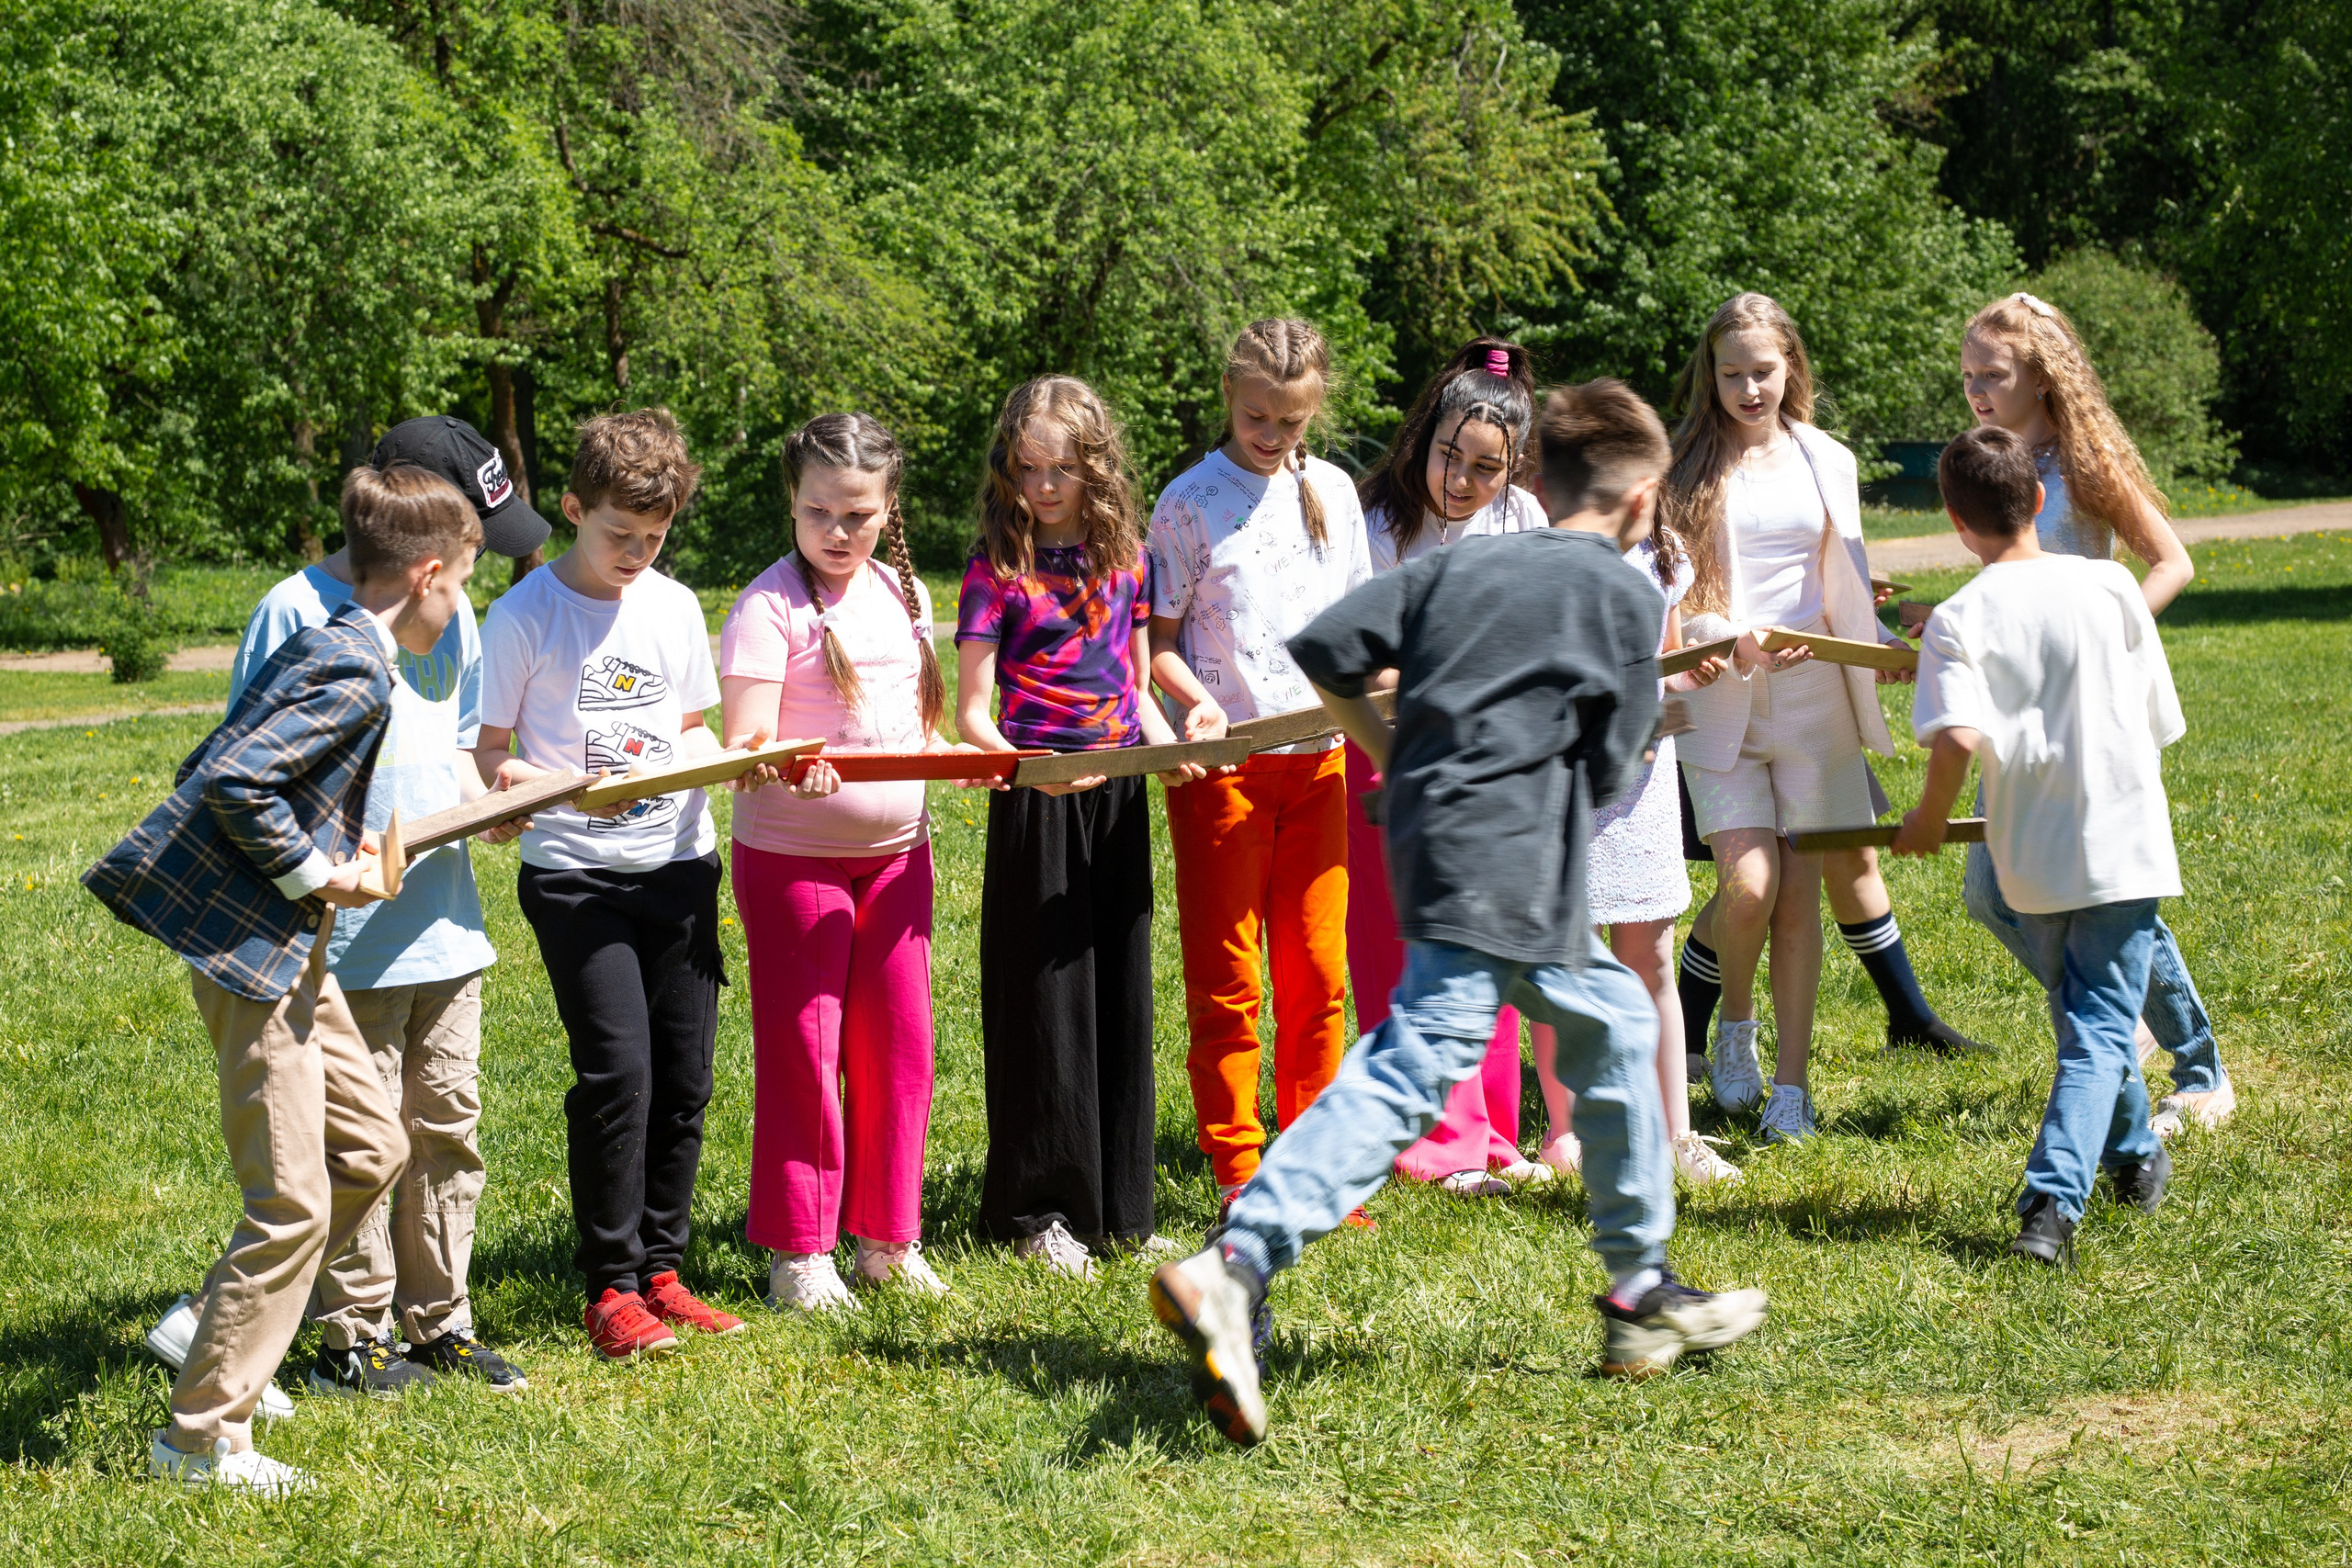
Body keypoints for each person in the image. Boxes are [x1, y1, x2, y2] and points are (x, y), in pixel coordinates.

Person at [1150, 380, 1767, 1447]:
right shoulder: (1619, 594)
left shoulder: (1458, 564)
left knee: (1614, 1025)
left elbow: (1330, 654)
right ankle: (1236, 1263)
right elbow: (1615, 758)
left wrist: (1402, 756)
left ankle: (1639, 1291)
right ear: (1639, 499)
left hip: (1443, 844)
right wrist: (1641, 711)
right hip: (1515, 864)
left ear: (1537, 478)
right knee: (1411, 1067)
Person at [88, 465, 483, 1495]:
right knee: (294, 1201)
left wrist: (330, 854)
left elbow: (231, 759)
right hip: (254, 957)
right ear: (429, 572)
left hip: (292, 947)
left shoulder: (334, 639)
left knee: (372, 1146)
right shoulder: (356, 665)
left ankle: (212, 1330)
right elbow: (230, 780)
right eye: (463, 583)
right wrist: (317, 876)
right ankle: (199, 1439)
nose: (462, 606)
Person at [142, 417, 544, 1410]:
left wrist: (501, 793)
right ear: (422, 543)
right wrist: (325, 875)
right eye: (468, 561)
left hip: (441, 922)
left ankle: (438, 1319)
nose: (473, 590)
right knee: (338, 1148)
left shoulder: (451, 615)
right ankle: (344, 1336)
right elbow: (250, 774)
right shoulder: (304, 618)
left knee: (437, 1127)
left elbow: (458, 745)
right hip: (337, 936)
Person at [476, 409, 743, 1359]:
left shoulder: (671, 607)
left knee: (685, 1079)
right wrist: (548, 793)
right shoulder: (521, 616)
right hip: (577, 881)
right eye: (617, 534)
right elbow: (491, 759)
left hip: (679, 866)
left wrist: (733, 761)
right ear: (573, 509)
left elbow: (693, 728)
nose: (636, 553)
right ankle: (610, 1284)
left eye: (655, 538)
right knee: (617, 1076)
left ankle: (664, 1271)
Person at [1893, 425, 2180, 1260]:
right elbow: (2156, 720)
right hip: (2123, 838)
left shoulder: (1960, 616)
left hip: (2033, 852)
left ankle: (2093, 1178)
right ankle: (2088, 1179)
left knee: (2086, 1016)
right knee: (2095, 1020)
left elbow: (1955, 739)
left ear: (1954, 519)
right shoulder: (2113, 587)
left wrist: (1928, 818)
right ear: (2041, 499)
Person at [1961, 290, 2233, 1136]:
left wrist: (2112, 639)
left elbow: (2171, 561)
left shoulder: (2083, 462)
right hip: (2019, 716)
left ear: (2041, 376)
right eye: (1967, 374)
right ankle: (2122, 1016)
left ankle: (2201, 1068)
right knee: (1994, 891)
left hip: (2087, 715)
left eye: (1992, 374)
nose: (1975, 389)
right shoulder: (1995, 457)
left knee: (2112, 890)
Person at [957, 378, 1211, 1275]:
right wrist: (1029, 774)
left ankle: (1119, 1212)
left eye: (1062, 467)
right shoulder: (995, 567)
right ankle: (1040, 1214)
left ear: (1094, 467)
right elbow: (971, 713)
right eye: (1028, 468)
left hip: (1116, 802)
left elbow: (1136, 691)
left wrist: (1172, 742)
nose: (1045, 485)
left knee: (1118, 998)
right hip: (1036, 800)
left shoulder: (1127, 561)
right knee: (1043, 1008)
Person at [1663, 292, 1922, 1144]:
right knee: (1747, 887)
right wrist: (1727, 641)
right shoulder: (1684, 463)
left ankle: (1792, 1087)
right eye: (1731, 374)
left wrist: (1880, 641)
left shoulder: (1828, 459)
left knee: (1800, 897)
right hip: (1721, 698)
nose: (1748, 389)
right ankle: (1733, 1024)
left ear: (1791, 369)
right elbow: (1674, 599)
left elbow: (1844, 578)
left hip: (1816, 701)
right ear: (1711, 376)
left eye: (1763, 372)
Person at [720, 412, 965, 1311]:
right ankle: (799, 1252)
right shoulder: (766, 607)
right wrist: (787, 758)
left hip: (899, 861)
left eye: (858, 515)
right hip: (793, 860)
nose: (838, 532)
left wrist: (964, 760)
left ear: (886, 507)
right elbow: (741, 739)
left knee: (900, 1050)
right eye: (821, 512)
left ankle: (888, 1241)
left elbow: (914, 726)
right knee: (806, 1047)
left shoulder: (904, 595)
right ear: (792, 503)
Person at [1147, 319, 1375, 1219]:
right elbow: (1159, 642)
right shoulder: (1189, 502)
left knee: (1319, 977)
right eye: (1256, 418)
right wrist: (1188, 703)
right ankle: (1239, 1168)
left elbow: (1360, 625)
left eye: (1288, 421)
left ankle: (1313, 1166)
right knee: (1229, 978)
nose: (1272, 437)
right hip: (1227, 775)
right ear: (1229, 399)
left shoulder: (1334, 492)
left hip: (1320, 766)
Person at [1349, 337, 1551, 1196]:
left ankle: (1494, 1130)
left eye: (1485, 467)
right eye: (1449, 457)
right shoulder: (1379, 528)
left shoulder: (1528, 524)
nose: (1461, 481)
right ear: (1423, 437)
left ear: (1511, 469)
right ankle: (1434, 1141)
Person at [1537, 516, 1743, 1187]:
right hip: (1563, 770)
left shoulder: (1665, 551)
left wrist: (1696, 671)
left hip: (1644, 775)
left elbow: (1671, 660)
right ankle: (1565, 1130)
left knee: (1651, 953)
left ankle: (1674, 1130)